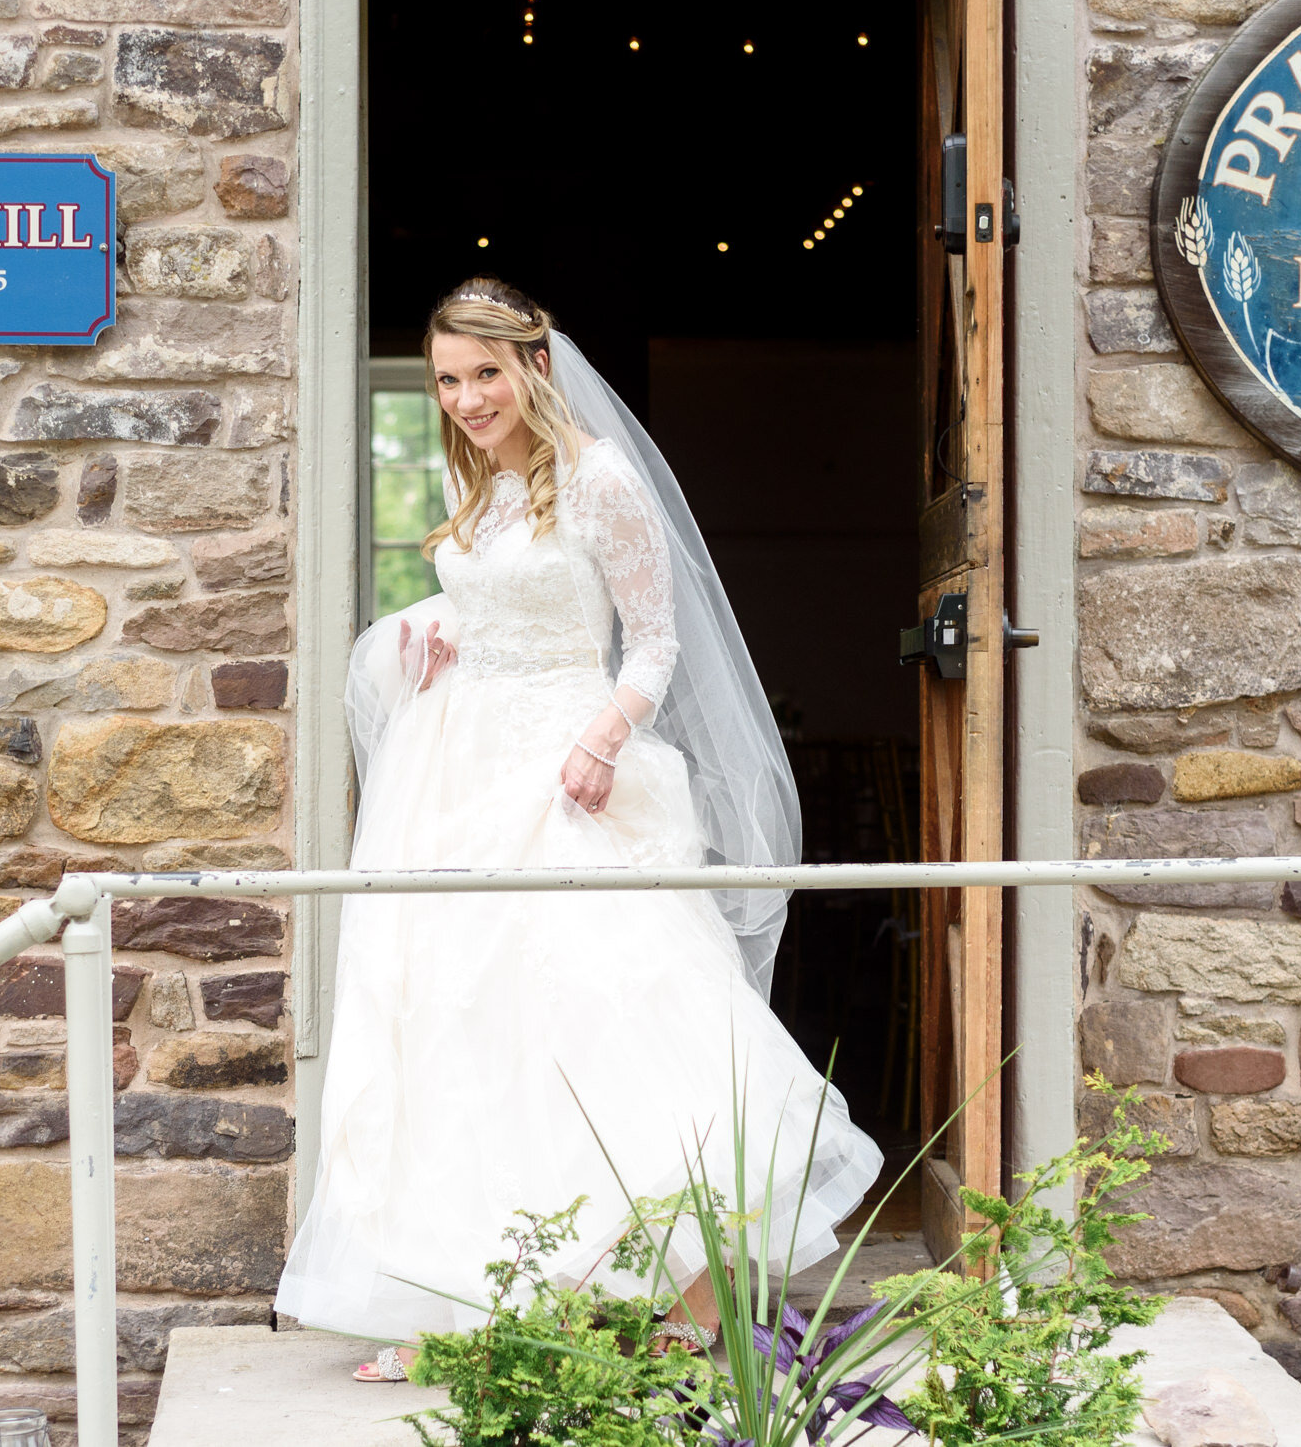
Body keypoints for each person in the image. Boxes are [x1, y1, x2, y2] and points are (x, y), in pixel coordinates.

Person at [274, 279, 881, 1381]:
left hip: (563, 774)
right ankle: (461, 1296)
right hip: (456, 774)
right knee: (456, 1029)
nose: (464, 399)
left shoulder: (599, 479)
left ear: (533, 367)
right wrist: (436, 633)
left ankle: (688, 1298)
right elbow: (495, 605)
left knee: (609, 1018)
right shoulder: (492, 492)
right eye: (448, 379)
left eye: (484, 375)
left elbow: (652, 644)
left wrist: (600, 742)